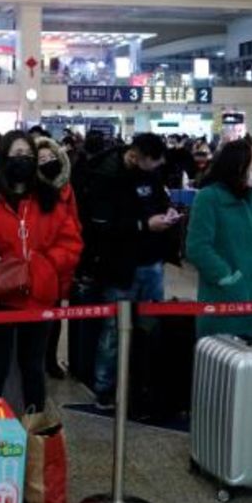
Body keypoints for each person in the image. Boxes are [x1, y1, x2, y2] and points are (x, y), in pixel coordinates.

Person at [0, 130, 83, 412]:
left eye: (28, 155)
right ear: (3, 158)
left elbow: (71, 243)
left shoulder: (49, 200)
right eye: (16, 154)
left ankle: (35, 435)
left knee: (33, 369)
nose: (22, 160)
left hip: (38, 296)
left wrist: (45, 264)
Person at [78, 133, 176, 405]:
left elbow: (159, 200)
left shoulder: (152, 175)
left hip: (152, 262)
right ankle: (104, 387)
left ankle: (140, 383)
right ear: (136, 156)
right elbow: (101, 227)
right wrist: (144, 225)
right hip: (120, 266)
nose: (155, 169)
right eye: (151, 164)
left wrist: (167, 215)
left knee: (149, 327)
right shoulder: (107, 175)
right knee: (113, 330)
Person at [184, 139, 252, 341]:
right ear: (238, 164)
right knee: (222, 365)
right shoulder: (209, 198)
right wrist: (228, 278)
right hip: (224, 299)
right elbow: (197, 247)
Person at [34, 135, 78, 380]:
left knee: (56, 313)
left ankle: (50, 359)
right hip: (36, 259)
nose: (47, 161)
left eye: (51, 157)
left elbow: (74, 221)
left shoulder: (66, 188)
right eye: (41, 158)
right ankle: (35, 360)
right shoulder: (29, 189)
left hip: (59, 260)